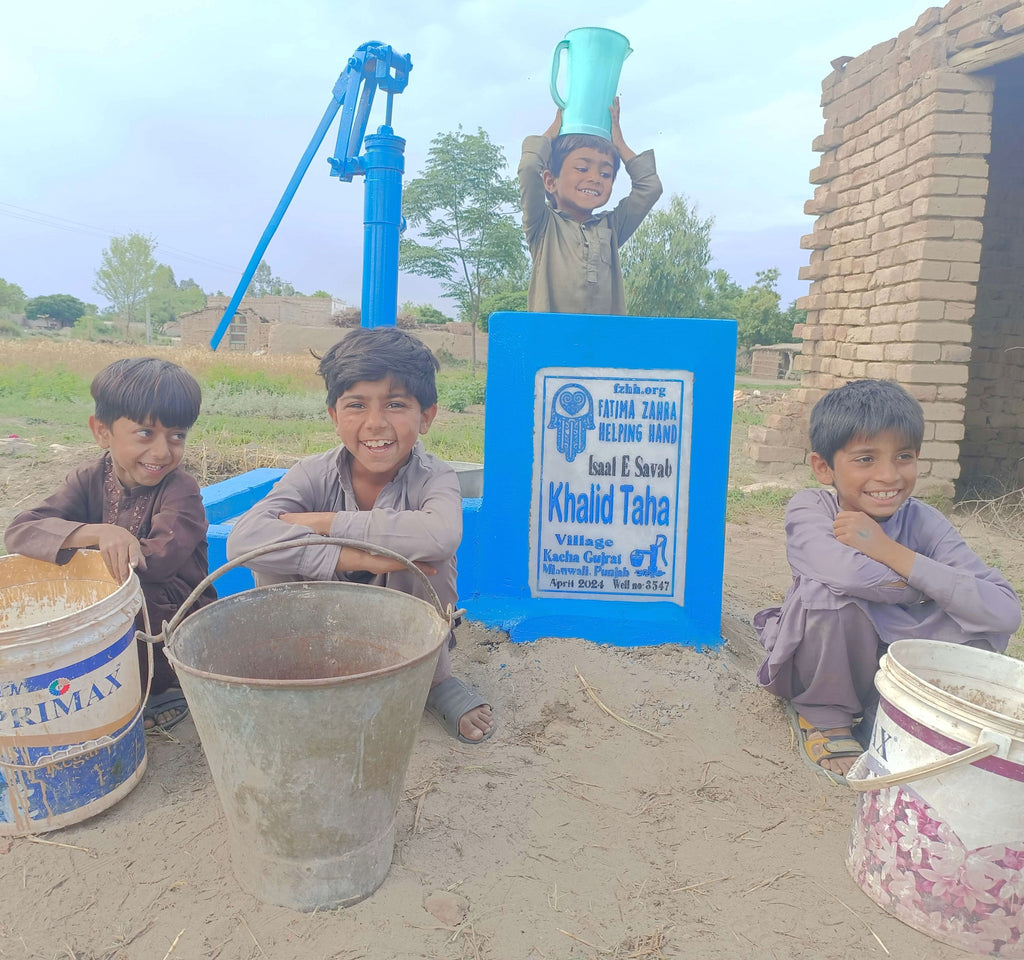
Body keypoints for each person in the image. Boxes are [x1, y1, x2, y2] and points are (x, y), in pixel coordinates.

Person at [225, 327, 494, 743]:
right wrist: (359, 558)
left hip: (398, 626)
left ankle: (436, 680)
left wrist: (324, 523)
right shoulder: (311, 474)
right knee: (269, 554)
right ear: (334, 416)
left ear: (426, 417)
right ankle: (304, 673)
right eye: (356, 405)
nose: (375, 423)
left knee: (427, 559)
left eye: (395, 404)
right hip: (322, 627)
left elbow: (441, 535)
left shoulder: (434, 476)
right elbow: (241, 541)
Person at [754, 379, 1021, 783]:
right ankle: (826, 715)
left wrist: (890, 551)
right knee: (825, 594)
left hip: (894, 660)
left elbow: (1003, 611)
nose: (888, 475)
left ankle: (886, 712)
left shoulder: (925, 521)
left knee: (980, 626)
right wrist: (920, 590)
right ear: (824, 467)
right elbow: (842, 572)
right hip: (832, 655)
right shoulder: (811, 508)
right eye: (865, 459)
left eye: (904, 456)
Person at [5, 357, 216, 730]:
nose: (162, 451)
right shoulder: (88, 477)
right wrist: (97, 533)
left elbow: (159, 561)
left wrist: (101, 551)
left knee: (134, 600)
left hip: (171, 614)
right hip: (111, 605)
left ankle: (159, 690)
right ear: (102, 432)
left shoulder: (180, 489)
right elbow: (22, 530)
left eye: (177, 435)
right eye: (145, 433)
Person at [519, 97, 662, 315]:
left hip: (602, 341)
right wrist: (550, 136)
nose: (595, 178)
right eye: (582, 169)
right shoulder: (542, 226)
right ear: (550, 181)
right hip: (552, 339)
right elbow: (529, 168)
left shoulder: (611, 227)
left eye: (605, 173)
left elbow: (650, 187)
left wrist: (619, 144)